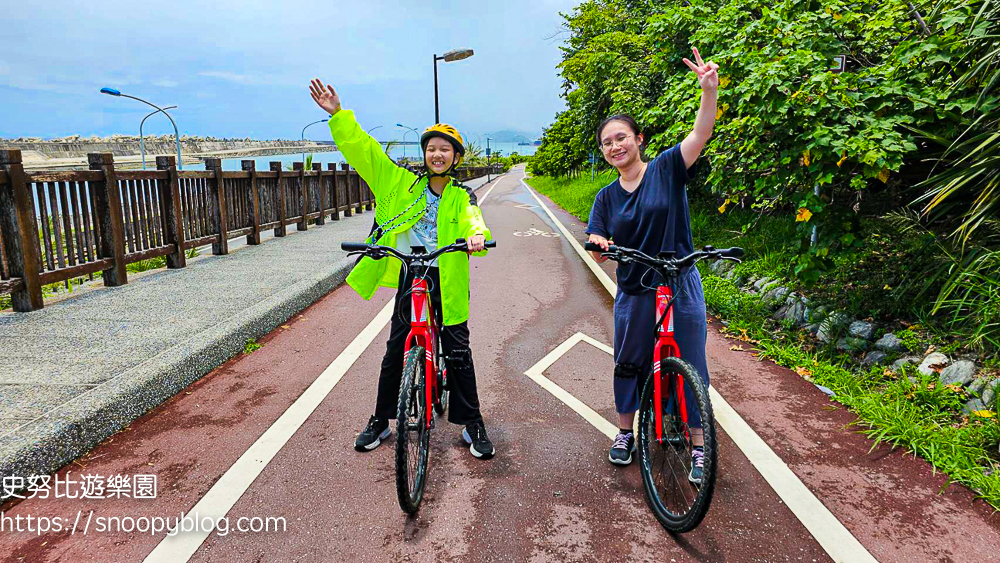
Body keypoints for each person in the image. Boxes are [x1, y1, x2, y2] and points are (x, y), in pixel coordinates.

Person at [309, 79, 495, 460]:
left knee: (458, 349)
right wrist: (338, 116)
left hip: (447, 274)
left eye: (445, 149)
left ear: (456, 158)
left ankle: (472, 422)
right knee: (397, 347)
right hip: (413, 272)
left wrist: (477, 236)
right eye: (431, 148)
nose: (437, 154)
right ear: (424, 154)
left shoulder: (462, 195)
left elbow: (473, 219)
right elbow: (367, 153)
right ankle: (381, 419)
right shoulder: (400, 183)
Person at [585, 48, 719, 483]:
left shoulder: (666, 168)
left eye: (621, 138)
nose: (615, 147)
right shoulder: (606, 197)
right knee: (629, 360)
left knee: (691, 363)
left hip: (679, 283)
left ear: (638, 139)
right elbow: (596, 242)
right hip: (635, 288)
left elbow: (700, 134)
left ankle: (699, 446)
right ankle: (625, 432)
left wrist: (709, 91)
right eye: (607, 143)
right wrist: (599, 244)